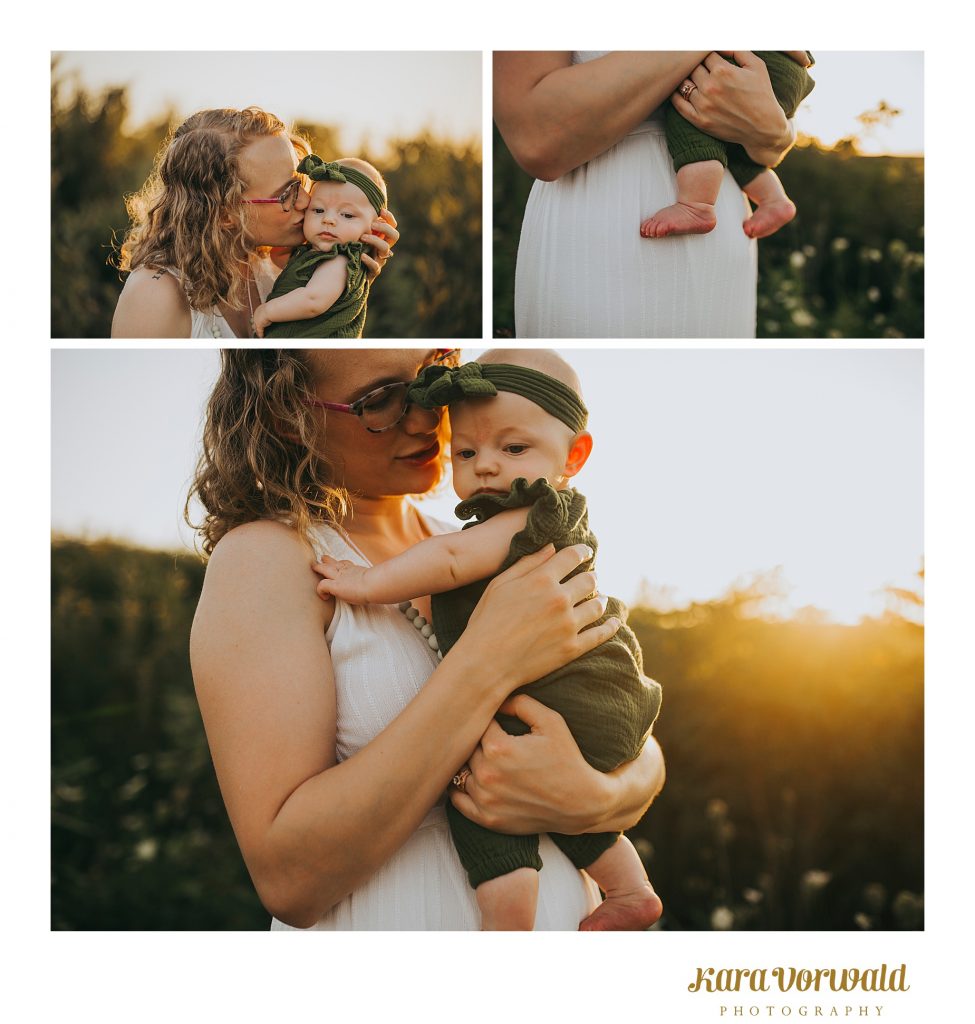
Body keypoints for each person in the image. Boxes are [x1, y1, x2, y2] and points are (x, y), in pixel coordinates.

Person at [188, 348, 666, 930]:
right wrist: (488, 661)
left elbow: (623, 713)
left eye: (430, 381)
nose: (425, 420)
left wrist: (593, 798)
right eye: (381, 401)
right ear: (290, 415)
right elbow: (289, 880)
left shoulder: (474, 542)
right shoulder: (268, 558)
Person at [494, 51, 812, 338]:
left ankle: (700, 204)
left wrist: (776, 131)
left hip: (716, 220)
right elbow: (536, 136)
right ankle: (771, 198)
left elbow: (772, 137)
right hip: (610, 236)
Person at [112, 107, 397, 338]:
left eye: (300, 184)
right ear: (225, 215)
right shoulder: (154, 295)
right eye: (286, 194)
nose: (305, 202)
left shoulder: (280, 264)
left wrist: (352, 290)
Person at [642, 52, 815, 240]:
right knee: (733, 137)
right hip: (789, 71)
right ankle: (773, 199)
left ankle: (696, 206)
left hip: (755, 63)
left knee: (691, 110)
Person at [254, 155, 387, 339]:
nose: (328, 219)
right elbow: (281, 260)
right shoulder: (314, 254)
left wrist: (267, 312)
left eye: (347, 215)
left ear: (375, 230)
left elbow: (314, 300)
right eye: (318, 210)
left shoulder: (340, 261)